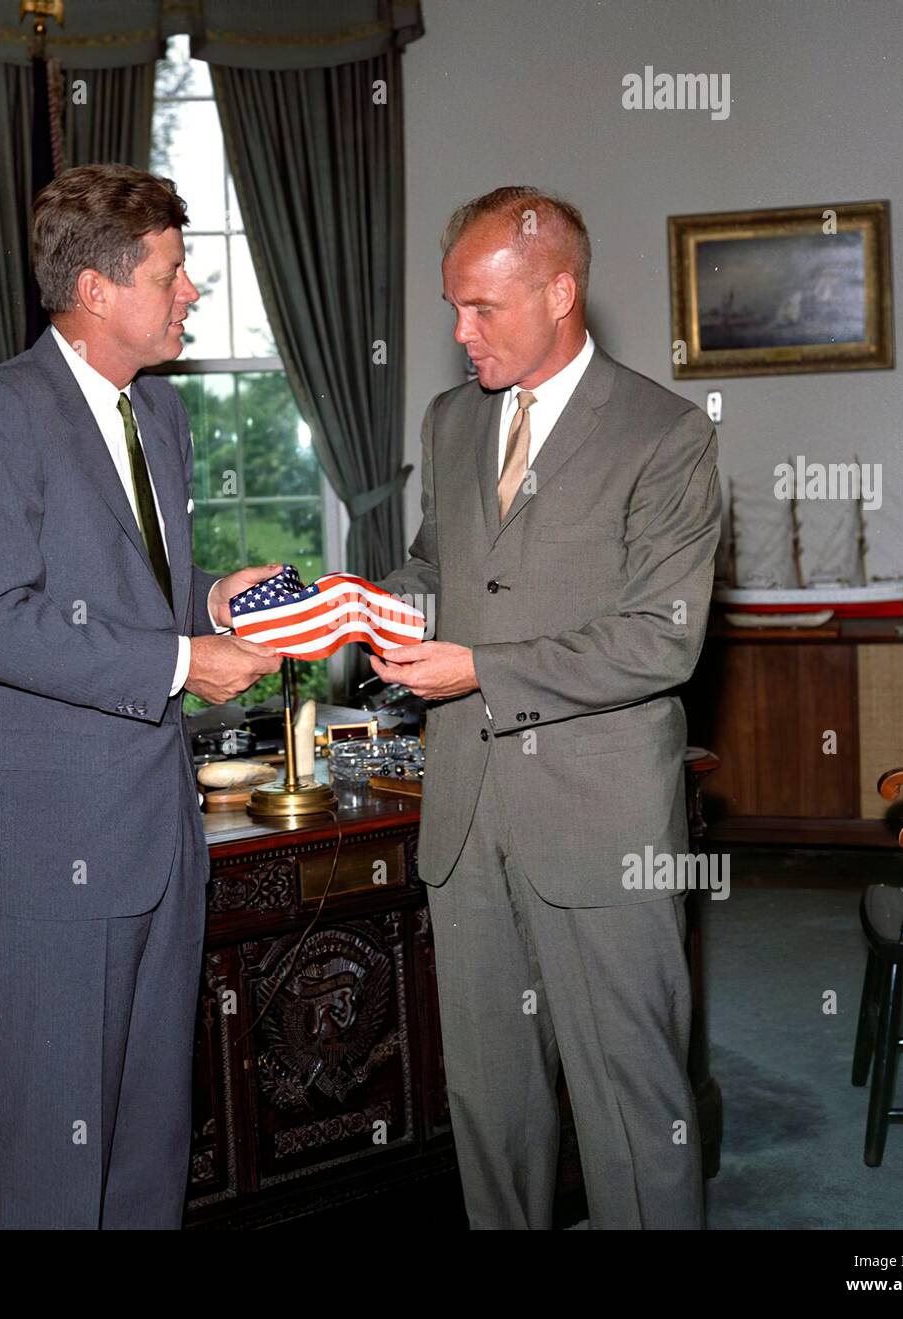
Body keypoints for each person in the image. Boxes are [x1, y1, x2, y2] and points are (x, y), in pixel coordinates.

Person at [0, 164, 281, 1229]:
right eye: (173, 272)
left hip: (158, 833)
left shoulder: (156, 414)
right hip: (54, 846)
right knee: (55, 1146)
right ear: (95, 289)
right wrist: (182, 662)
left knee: (144, 1139)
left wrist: (212, 596)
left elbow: (127, 590)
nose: (191, 292)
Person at [370, 186, 721, 1229]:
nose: (458, 331)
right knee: (492, 1104)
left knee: (630, 1103)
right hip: (467, 818)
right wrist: (375, 600)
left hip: (599, 821)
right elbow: (444, 564)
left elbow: (662, 637)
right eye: (452, 306)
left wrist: (479, 665)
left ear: (560, 292)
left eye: (481, 308)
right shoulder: (448, 421)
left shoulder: (665, 436)